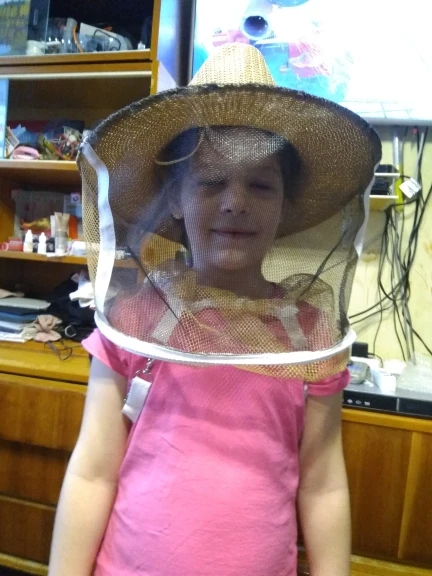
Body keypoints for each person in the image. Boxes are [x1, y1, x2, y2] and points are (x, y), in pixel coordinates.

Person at [49, 43, 381, 576]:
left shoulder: (310, 336)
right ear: (176, 199)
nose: (235, 202)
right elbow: (93, 472)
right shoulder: (135, 321)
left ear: (284, 206)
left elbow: (322, 485)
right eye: (210, 181)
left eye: (260, 185)